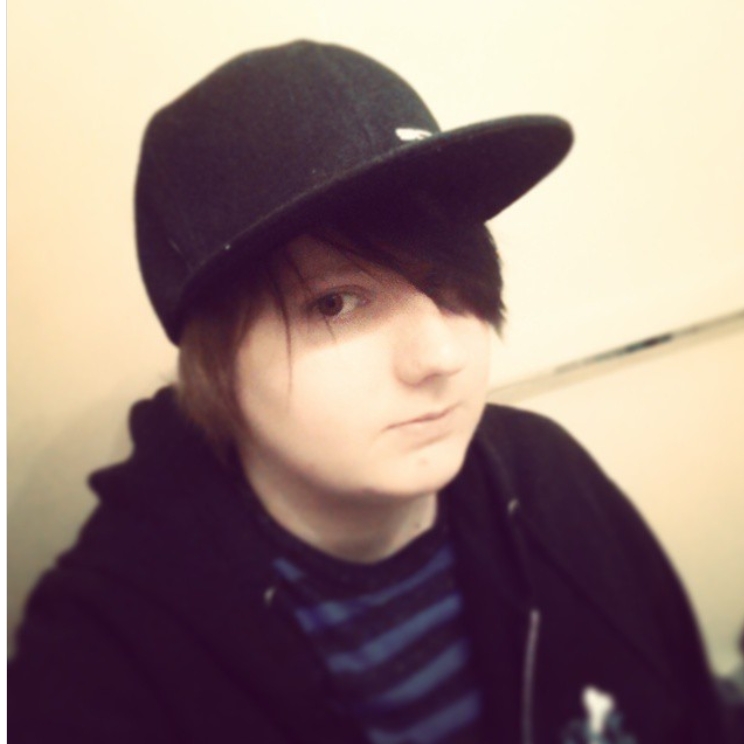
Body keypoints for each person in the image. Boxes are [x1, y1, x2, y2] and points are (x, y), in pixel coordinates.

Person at [8, 40, 727, 744]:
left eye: (451, 284)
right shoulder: (101, 661)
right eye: (336, 303)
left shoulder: (544, 475)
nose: (441, 355)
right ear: (214, 363)